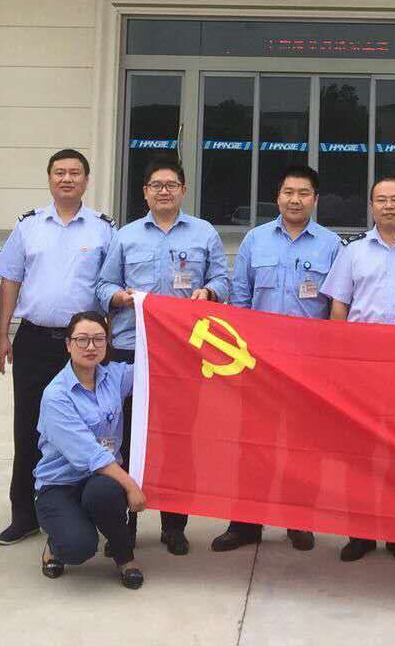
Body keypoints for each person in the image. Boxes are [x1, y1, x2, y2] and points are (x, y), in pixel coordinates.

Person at [96, 156, 231, 556]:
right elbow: (103, 285)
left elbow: (223, 280)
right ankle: (125, 526)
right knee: (125, 437)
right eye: (156, 185)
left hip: (183, 352)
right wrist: (120, 297)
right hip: (130, 348)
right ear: (145, 192)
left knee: (177, 439)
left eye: (171, 185)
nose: (164, 191)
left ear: (183, 190)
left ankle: (174, 526)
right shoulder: (126, 236)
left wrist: (209, 292)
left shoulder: (204, 233)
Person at [211, 164, 341, 554]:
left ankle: (299, 521)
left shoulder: (332, 245)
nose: (294, 200)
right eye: (288, 192)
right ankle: (245, 524)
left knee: (303, 446)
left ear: (315, 199)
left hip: (308, 364)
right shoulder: (255, 239)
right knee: (252, 444)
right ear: (277, 196)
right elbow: (239, 299)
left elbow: (337, 307)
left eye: (303, 193)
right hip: (258, 362)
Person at [0, 148, 116, 547]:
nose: (67, 179)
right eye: (59, 172)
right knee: (29, 426)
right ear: (49, 178)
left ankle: (81, 510)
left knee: (89, 427)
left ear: (86, 180)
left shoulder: (103, 229)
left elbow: (110, 285)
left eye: (74, 173)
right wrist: (2, 334)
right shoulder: (28, 226)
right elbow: (10, 280)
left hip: (84, 344)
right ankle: (24, 513)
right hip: (34, 339)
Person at [320, 175, 395, 564]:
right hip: (361, 363)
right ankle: (361, 532)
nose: (389, 206)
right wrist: (339, 359)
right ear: (371, 207)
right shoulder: (353, 252)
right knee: (360, 451)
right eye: (381, 200)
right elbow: (339, 306)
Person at [34, 311, 146, 590]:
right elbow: (89, 454)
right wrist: (131, 486)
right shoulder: (56, 394)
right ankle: (56, 543)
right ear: (68, 345)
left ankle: (125, 557)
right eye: (82, 340)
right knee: (78, 547)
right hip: (60, 484)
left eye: (98, 339)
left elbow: (154, 370)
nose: (91, 346)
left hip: (98, 482)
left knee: (104, 492)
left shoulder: (115, 375)